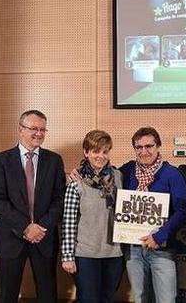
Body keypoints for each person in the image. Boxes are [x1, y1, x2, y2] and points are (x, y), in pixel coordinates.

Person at [0, 110, 66, 303]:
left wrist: (39, 228)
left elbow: (59, 199)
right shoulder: (0, 161)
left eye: (42, 129)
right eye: (34, 128)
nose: (39, 133)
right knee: (7, 296)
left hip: (44, 236)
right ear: (20, 130)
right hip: (10, 237)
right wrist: (26, 227)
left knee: (48, 295)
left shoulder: (54, 160)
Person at [121, 127, 186, 303]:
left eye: (149, 146)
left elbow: (182, 211)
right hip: (134, 249)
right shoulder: (127, 171)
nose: (144, 151)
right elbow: (102, 171)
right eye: (139, 147)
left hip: (162, 248)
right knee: (140, 298)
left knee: (165, 299)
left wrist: (159, 236)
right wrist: (78, 172)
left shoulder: (172, 174)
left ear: (158, 146)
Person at [61, 130, 124, 303]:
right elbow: (69, 222)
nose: (101, 156)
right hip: (86, 254)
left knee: (107, 298)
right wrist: (67, 256)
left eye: (105, 151)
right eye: (96, 151)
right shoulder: (76, 182)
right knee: (89, 299)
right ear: (86, 152)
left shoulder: (118, 177)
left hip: (114, 253)